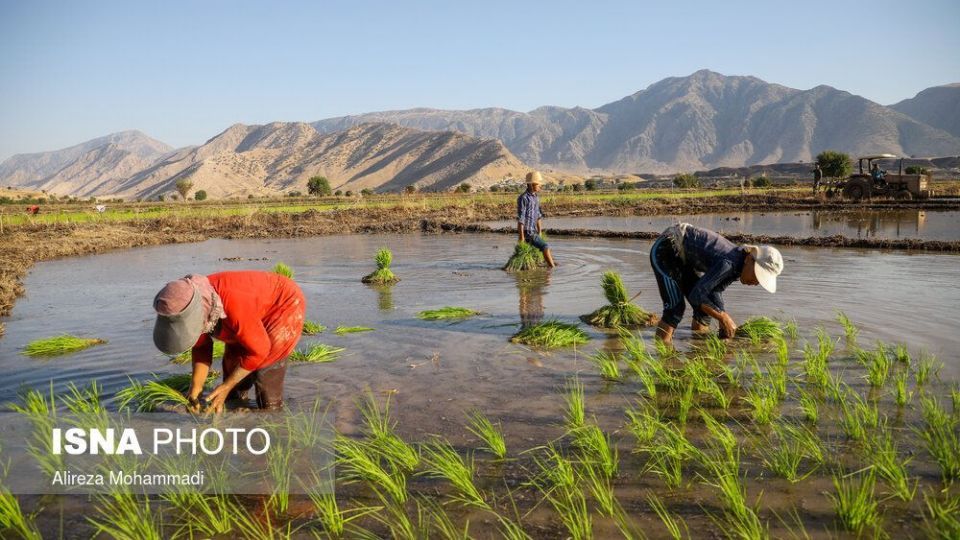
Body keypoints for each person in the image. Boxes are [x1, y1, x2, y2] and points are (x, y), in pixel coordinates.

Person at [152, 271, 306, 412]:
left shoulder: (231, 303)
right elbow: (201, 348)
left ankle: (271, 416)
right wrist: (196, 388)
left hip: (283, 303)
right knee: (233, 373)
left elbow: (260, 351)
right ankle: (238, 410)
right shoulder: (189, 307)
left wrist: (226, 386)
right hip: (244, 316)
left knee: (265, 372)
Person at [649, 223, 783, 346]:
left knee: (704, 311)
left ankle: (698, 350)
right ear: (749, 259)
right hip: (668, 248)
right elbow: (697, 295)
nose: (755, 283)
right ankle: (662, 357)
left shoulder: (738, 267)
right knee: (675, 308)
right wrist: (723, 317)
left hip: (685, 258)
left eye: (760, 280)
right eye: (757, 275)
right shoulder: (729, 263)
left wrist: (721, 315)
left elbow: (715, 290)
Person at [517, 171, 556, 267]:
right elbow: (521, 219)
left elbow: (538, 215)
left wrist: (540, 231)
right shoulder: (523, 198)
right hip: (528, 232)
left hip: (533, 230)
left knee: (536, 250)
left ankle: (539, 264)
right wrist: (521, 237)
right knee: (545, 246)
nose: (540, 186)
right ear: (531, 185)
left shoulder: (536, 197)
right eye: (538, 184)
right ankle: (552, 268)